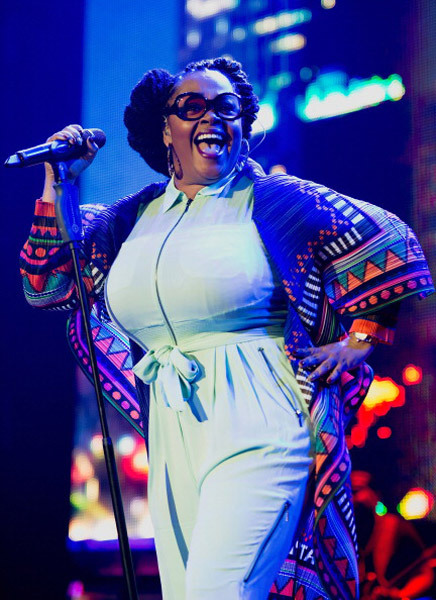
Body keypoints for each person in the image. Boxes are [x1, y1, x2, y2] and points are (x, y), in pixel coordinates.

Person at [20, 57, 434, 600]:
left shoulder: (276, 202)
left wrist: (362, 340)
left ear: (243, 124)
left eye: (226, 107)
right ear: (165, 129)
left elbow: (392, 241)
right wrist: (59, 184)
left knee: (218, 590)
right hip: (171, 427)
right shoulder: (131, 219)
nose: (210, 117)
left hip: (260, 416)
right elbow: (47, 285)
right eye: (192, 107)